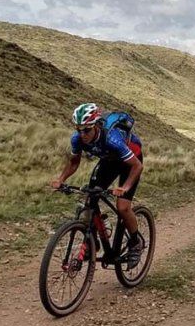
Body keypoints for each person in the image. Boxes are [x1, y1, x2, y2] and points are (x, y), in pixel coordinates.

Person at [51, 103, 145, 267]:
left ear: (95, 125)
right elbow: (73, 163)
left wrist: (125, 188)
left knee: (122, 207)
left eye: (86, 130)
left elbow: (137, 166)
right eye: (78, 129)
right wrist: (61, 179)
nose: (82, 134)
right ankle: (92, 241)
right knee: (89, 200)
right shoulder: (77, 139)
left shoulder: (112, 139)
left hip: (130, 162)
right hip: (109, 161)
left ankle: (135, 243)